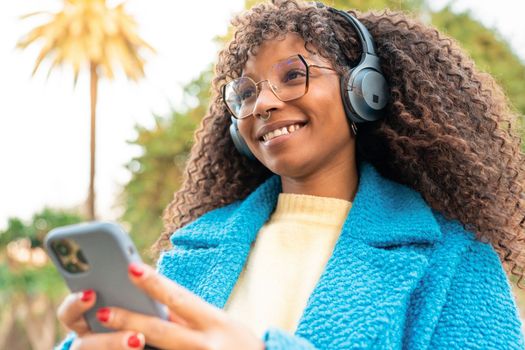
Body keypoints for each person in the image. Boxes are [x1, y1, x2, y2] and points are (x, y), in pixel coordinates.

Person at [56, 0, 525, 349]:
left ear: (365, 91)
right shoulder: (192, 252)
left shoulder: (454, 260)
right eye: (245, 93)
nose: (263, 103)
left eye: (293, 75)